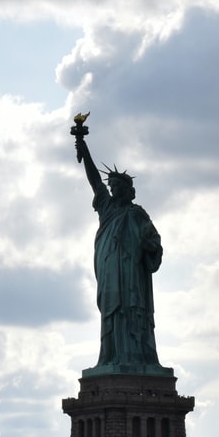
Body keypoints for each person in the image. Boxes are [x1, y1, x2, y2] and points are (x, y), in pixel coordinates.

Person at [75, 119, 164, 370]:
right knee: (112, 314)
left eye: (118, 187)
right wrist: (83, 145)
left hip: (132, 275)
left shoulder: (138, 215)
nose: (113, 190)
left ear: (129, 190)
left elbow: (154, 244)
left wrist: (149, 246)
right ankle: (112, 356)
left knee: (132, 312)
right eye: (112, 187)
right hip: (110, 272)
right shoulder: (107, 207)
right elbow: (94, 180)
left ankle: (137, 358)